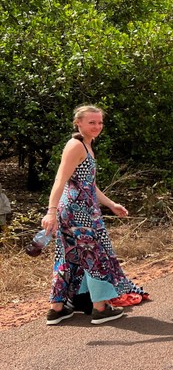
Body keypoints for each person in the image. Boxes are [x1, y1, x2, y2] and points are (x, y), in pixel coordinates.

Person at [42, 104, 145, 325]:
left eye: (99, 122)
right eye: (92, 122)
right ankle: (100, 308)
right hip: (78, 211)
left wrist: (111, 204)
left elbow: (89, 184)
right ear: (78, 123)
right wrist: (50, 212)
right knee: (94, 254)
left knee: (69, 255)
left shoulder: (87, 144)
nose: (97, 126)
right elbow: (60, 180)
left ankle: (57, 309)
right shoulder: (75, 145)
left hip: (81, 208)